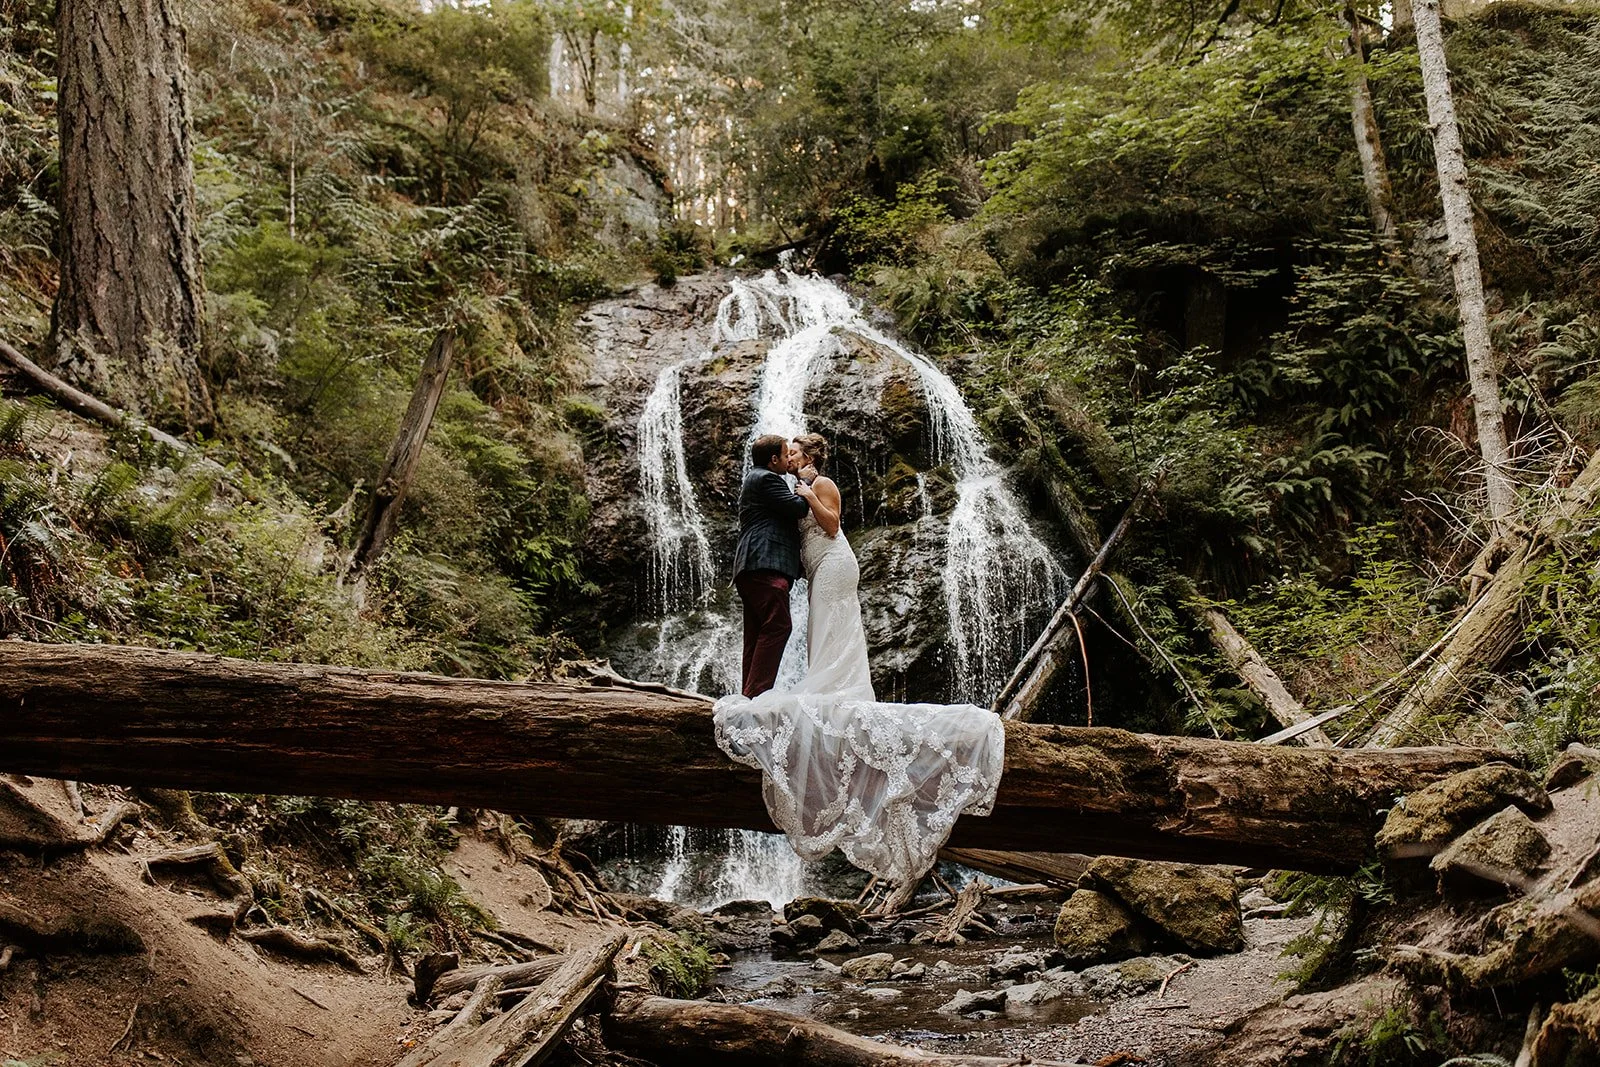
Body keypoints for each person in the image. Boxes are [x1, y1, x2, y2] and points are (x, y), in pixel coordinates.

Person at [714, 432, 1004, 912]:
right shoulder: (773, 483)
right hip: (804, 569)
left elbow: (830, 526)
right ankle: (822, 688)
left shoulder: (819, 483)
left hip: (832, 565)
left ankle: (828, 691)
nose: (791, 460)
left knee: (819, 631)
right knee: (818, 633)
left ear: (808, 458)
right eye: (786, 455)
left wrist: (806, 491)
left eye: (796, 454)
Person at [731, 433, 809, 698]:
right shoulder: (766, 478)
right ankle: (758, 696)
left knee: (756, 632)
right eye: (787, 454)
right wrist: (805, 480)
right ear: (773, 459)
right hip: (765, 565)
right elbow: (798, 508)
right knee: (779, 625)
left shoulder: (757, 479)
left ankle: (748, 697)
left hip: (751, 567)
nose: (790, 459)